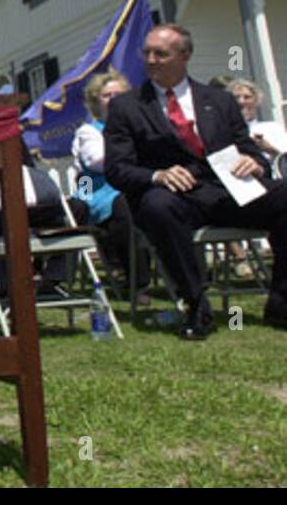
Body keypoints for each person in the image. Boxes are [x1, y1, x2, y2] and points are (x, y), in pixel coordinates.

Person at [104, 24, 287, 338]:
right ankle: (196, 304)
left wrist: (254, 163)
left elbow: (249, 150)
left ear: (185, 55)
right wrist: (156, 175)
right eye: (146, 53)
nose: (150, 60)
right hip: (172, 195)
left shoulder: (218, 100)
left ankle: (282, 301)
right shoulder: (127, 106)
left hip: (223, 190)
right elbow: (117, 169)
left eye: (160, 53)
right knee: (158, 208)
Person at [0, 67, 89, 295]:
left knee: (77, 208)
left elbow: (28, 168)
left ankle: (53, 279)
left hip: (21, 200)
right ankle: (5, 288)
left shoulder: (11, 127)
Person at [72, 69, 151, 297]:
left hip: (136, 183)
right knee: (122, 205)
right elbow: (96, 161)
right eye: (108, 96)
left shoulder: (140, 125)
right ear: (96, 101)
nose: (114, 100)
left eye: (119, 94)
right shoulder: (89, 131)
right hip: (100, 188)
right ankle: (137, 282)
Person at [228, 79, 287, 175]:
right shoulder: (223, 131)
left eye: (247, 97)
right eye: (236, 97)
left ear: (256, 101)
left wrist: (270, 149)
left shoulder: (272, 128)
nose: (241, 101)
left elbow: (284, 159)